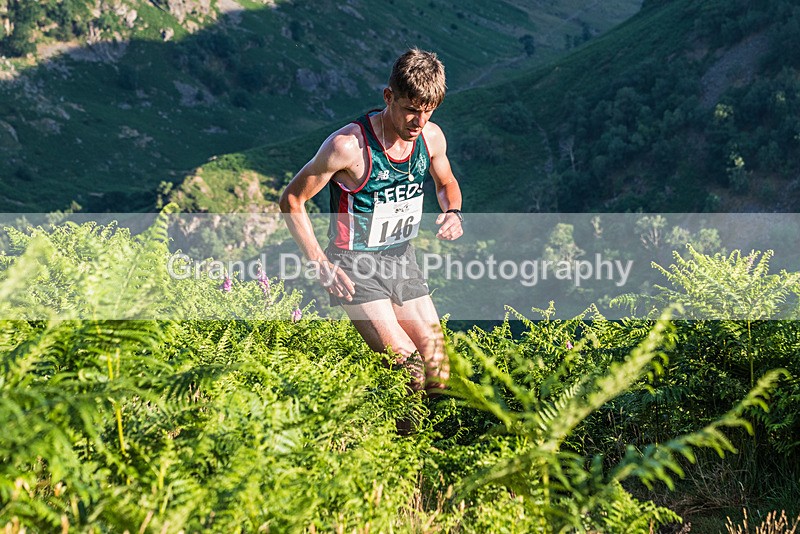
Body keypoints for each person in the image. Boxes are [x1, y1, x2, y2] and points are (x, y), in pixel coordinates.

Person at [279, 48, 463, 397]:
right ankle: (400, 449)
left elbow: (446, 183)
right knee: (408, 369)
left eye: (428, 111)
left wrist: (453, 211)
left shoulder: (432, 137)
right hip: (355, 265)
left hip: (400, 258)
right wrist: (320, 264)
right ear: (388, 97)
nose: (418, 122)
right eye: (410, 110)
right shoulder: (348, 146)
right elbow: (291, 199)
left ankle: (431, 446)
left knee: (438, 365)